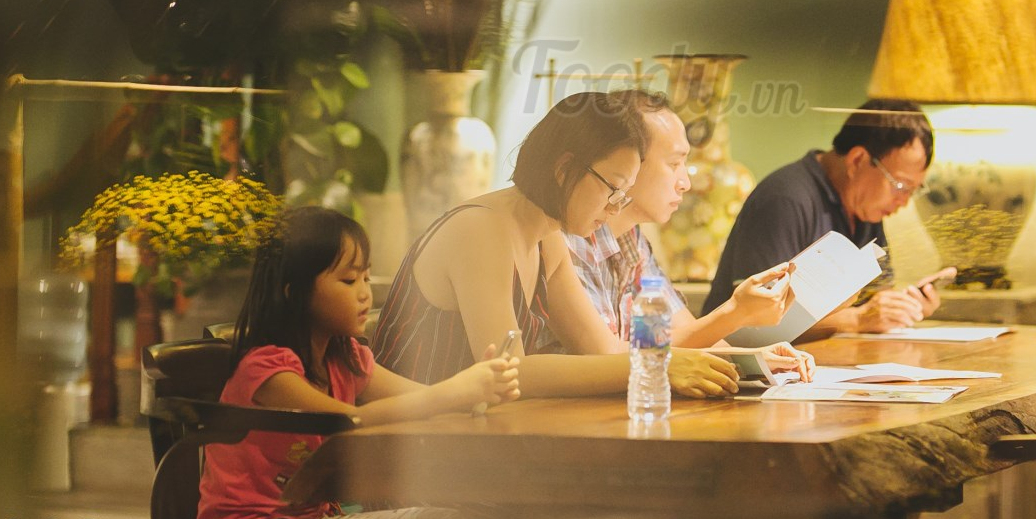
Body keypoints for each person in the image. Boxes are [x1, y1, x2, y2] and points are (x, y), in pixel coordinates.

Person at [195, 206, 520, 519]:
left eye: (366, 277)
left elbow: (421, 398)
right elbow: (347, 421)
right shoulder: (265, 370)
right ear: (294, 293)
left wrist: (479, 388)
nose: (366, 293)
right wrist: (452, 392)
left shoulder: (346, 356)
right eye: (349, 280)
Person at [372, 91, 741, 398]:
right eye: (613, 189)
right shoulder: (480, 228)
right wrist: (655, 364)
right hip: (409, 439)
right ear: (564, 170)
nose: (616, 208)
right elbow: (509, 369)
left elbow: (601, 352)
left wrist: (664, 360)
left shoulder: (547, 238)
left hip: (474, 434)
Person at [536, 89, 813, 376]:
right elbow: (607, 359)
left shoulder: (633, 240)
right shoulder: (565, 236)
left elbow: (681, 336)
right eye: (673, 164)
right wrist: (735, 313)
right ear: (627, 162)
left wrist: (754, 359)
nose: (685, 183)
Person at [701, 99, 942, 337]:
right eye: (900, 185)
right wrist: (857, 319)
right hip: (730, 358)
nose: (904, 201)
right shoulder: (784, 199)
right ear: (857, 160)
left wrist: (904, 307)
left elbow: (876, 299)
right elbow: (757, 318)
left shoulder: (866, 210)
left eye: (913, 190)